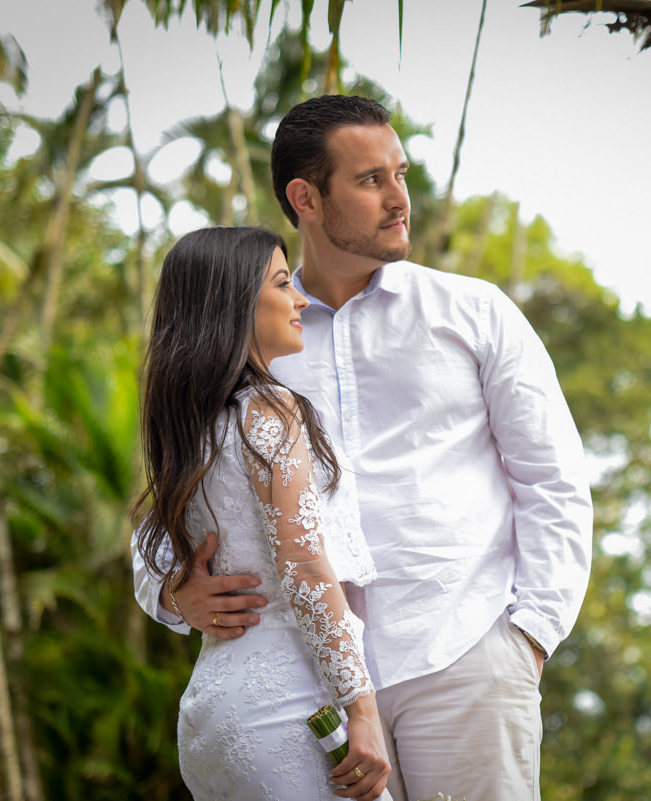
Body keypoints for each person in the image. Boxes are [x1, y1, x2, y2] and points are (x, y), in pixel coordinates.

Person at [133, 96, 593, 801]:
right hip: (304, 689)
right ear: (305, 197)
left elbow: (554, 481)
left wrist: (528, 637)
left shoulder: (475, 313)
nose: (399, 199)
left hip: (463, 654)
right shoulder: (253, 338)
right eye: (371, 180)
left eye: (400, 174)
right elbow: (170, 494)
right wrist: (172, 590)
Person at [132, 225, 391, 801]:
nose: (300, 298)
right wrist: (363, 711)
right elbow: (304, 569)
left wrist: (173, 596)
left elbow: (147, 551)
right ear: (234, 303)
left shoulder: (190, 431)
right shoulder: (271, 411)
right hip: (287, 707)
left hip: (211, 715)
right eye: (281, 283)